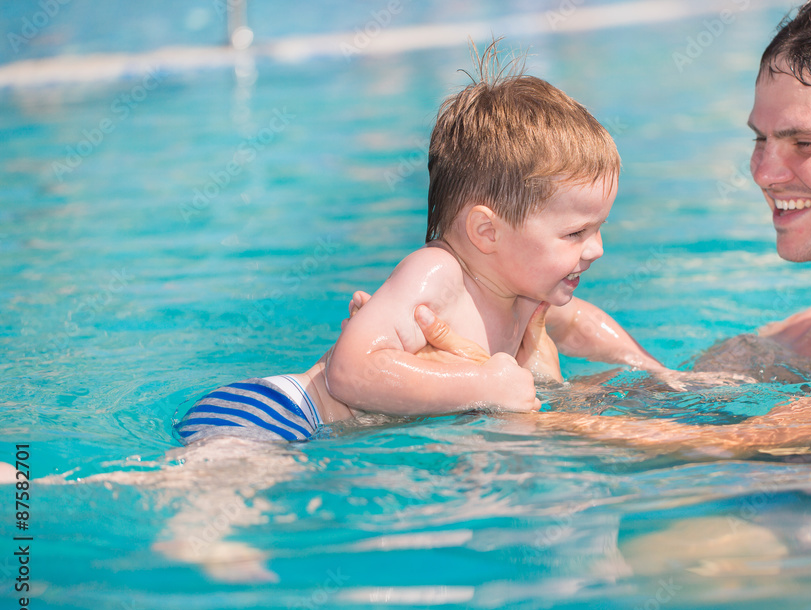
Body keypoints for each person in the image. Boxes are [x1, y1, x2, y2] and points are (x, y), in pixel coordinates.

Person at [399, 0, 811, 450]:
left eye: (804, 142)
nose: (764, 171)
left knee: (685, 555)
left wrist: (505, 401)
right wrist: (496, 347)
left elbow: (734, 447)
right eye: (760, 139)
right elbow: (670, 401)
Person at [175, 41, 669, 444]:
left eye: (598, 228)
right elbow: (348, 371)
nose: (596, 248)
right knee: (220, 486)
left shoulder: (521, 294)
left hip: (312, 433)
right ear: (486, 231)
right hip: (279, 409)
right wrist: (481, 385)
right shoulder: (438, 272)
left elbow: (580, 323)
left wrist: (652, 370)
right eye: (575, 233)